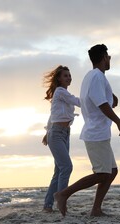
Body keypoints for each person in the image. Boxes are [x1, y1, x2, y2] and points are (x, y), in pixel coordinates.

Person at [54, 44, 120, 217]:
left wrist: (112, 96)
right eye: (108, 56)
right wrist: (119, 122)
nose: (109, 59)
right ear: (103, 57)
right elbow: (101, 104)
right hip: (96, 133)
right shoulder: (96, 77)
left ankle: (96, 209)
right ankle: (63, 194)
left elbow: (97, 97)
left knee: (112, 171)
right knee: (102, 174)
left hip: (99, 132)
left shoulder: (94, 76)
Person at [42, 65, 80, 213]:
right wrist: (96, 102)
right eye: (65, 75)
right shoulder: (60, 92)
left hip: (64, 134)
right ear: (58, 78)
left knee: (59, 171)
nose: (69, 77)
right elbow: (78, 101)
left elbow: (53, 115)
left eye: (70, 75)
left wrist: (47, 131)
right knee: (67, 167)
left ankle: (47, 205)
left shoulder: (63, 95)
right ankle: (61, 201)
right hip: (57, 134)